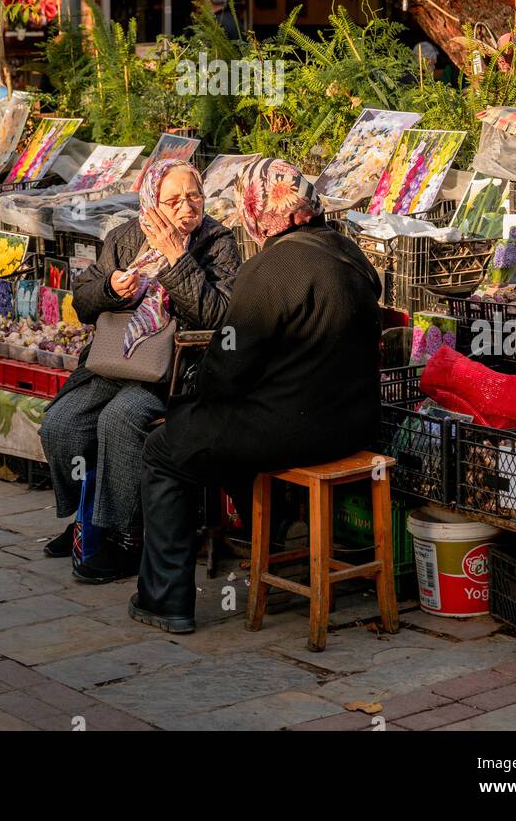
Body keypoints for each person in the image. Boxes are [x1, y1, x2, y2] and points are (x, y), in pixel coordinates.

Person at [129, 157, 383, 634]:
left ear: (255, 209)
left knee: (165, 450)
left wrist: (200, 395)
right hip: (356, 425)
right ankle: (275, 529)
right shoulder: (351, 255)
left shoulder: (269, 268)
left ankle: (165, 601)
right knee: (215, 434)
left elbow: (225, 375)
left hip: (298, 431)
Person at [39, 159, 240, 583]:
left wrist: (177, 259)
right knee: (61, 424)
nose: (187, 207)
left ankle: (128, 538)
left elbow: (218, 316)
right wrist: (111, 288)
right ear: (151, 201)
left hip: (175, 372)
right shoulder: (125, 237)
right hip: (115, 362)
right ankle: (86, 520)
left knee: (121, 418)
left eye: (194, 196)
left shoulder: (218, 243)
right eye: (174, 199)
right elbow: (83, 300)